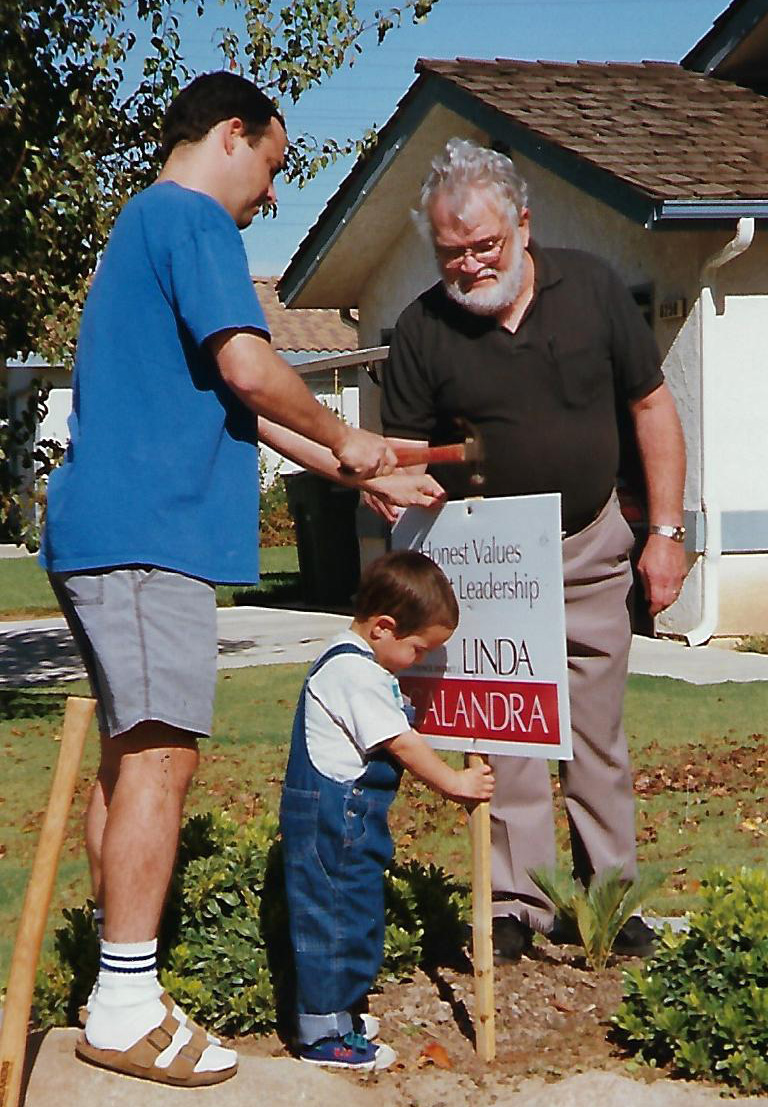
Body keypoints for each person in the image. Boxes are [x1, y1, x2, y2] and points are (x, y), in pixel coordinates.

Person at [38, 72, 441, 1088]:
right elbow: (253, 370)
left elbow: (238, 404)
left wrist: (351, 464)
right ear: (233, 133)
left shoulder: (144, 227)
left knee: (133, 756)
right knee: (162, 757)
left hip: (113, 530)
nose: (271, 193)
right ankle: (125, 1004)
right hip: (149, 534)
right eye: (272, 165)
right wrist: (349, 432)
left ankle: (116, 982)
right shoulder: (194, 219)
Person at [378, 138, 687, 961]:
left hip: (590, 546)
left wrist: (665, 533)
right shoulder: (422, 328)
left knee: (596, 736)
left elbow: (652, 409)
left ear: (522, 223)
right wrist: (393, 486)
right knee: (505, 736)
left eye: (485, 244)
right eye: (451, 251)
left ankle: (609, 903)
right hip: (483, 562)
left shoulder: (593, 289)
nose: (470, 264)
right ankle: (514, 903)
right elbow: (399, 456)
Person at [280, 549, 494, 1070]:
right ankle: (323, 1034)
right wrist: (455, 783)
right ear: (383, 628)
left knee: (353, 913)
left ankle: (341, 1014)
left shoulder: (355, 663)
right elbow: (401, 742)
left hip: (348, 819)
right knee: (333, 918)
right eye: (418, 649)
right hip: (333, 821)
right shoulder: (354, 674)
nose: (419, 661)